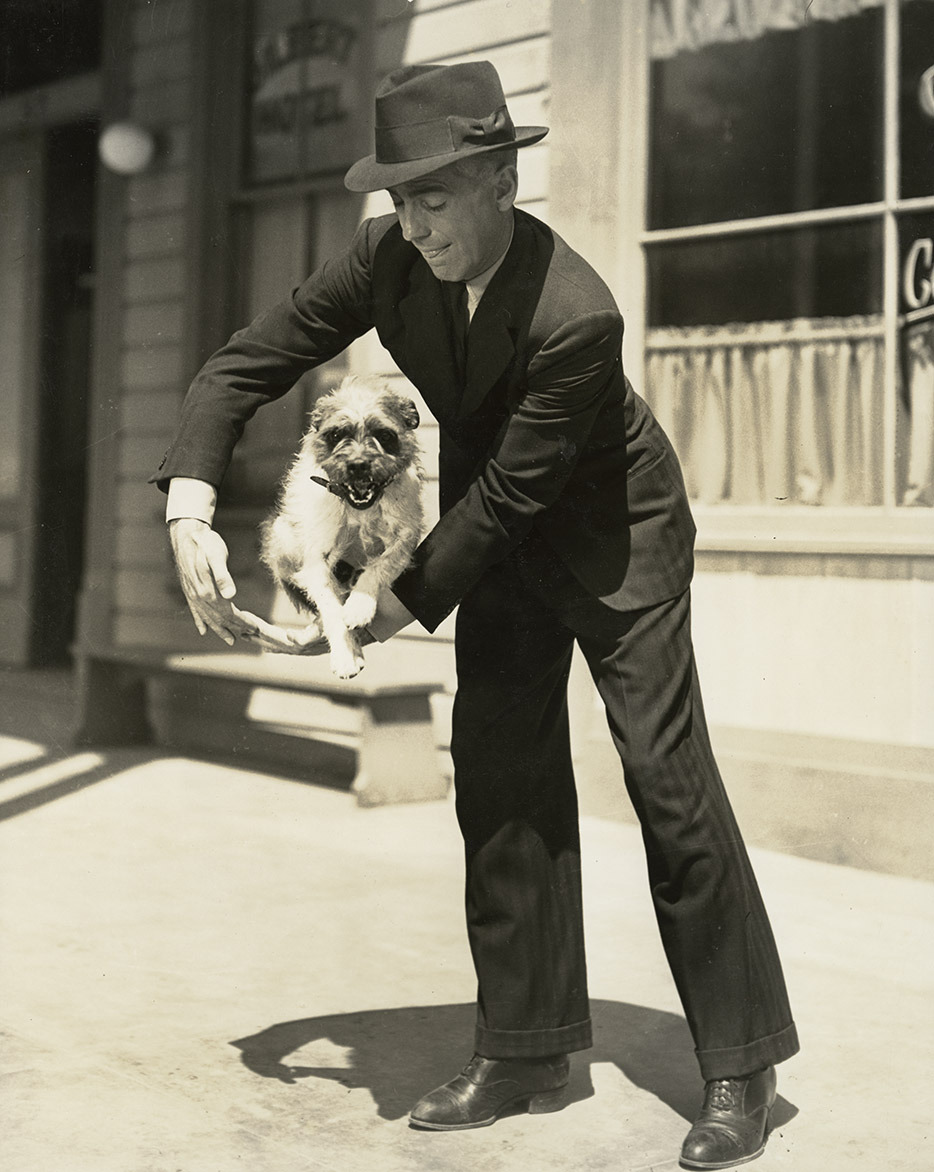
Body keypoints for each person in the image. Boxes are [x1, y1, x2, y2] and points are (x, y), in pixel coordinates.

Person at [154, 61, 798, 1169]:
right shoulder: (385, 256)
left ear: (504, 182)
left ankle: (742, 1064)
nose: (415, 226)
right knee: (499, 777)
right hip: (489, 537)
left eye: (436, 198)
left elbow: (509, 498)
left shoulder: (577, 312)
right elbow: (246, 361)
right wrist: (190, 504)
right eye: (401, 201)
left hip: (614, 538)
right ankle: (525, 1049)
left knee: (666, 779)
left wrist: (372, 610)